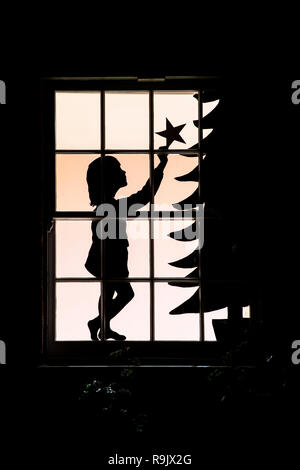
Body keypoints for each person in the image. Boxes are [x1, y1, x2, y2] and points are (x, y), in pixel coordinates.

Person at [85, 151, 168, 341]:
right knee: (126, 294)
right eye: (119, 169)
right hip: (110, 260)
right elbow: (145, 195)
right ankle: (97, 323)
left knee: (108, 292)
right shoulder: (110, 207)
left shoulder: (109, 207)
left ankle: (104, 327)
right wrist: (162, 166)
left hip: (108, 259)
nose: (124, 172)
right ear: (110, 178)